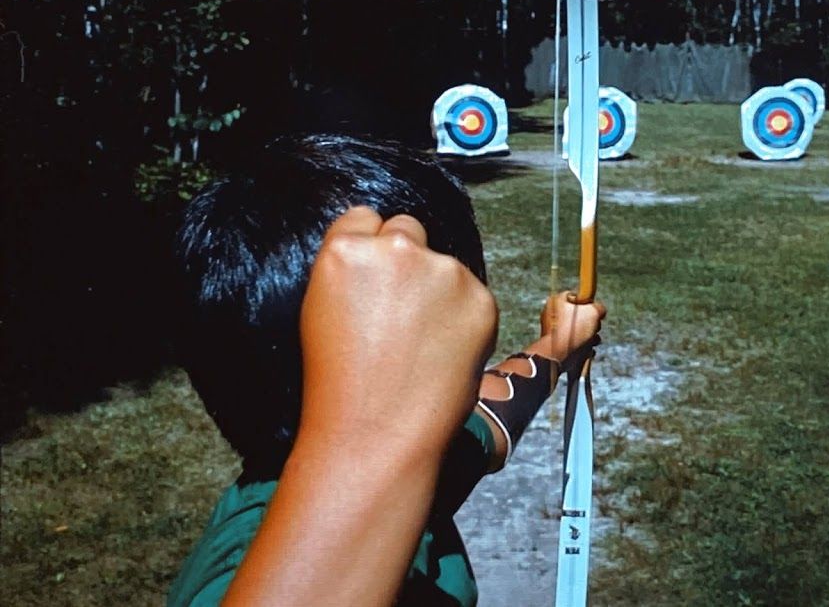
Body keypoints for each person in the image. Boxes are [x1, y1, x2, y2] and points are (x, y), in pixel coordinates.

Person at [168, 134, 604, 606]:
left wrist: (558, 345)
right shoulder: (237, 564)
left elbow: (489, 421)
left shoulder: (410, 460)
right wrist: (372, 438)